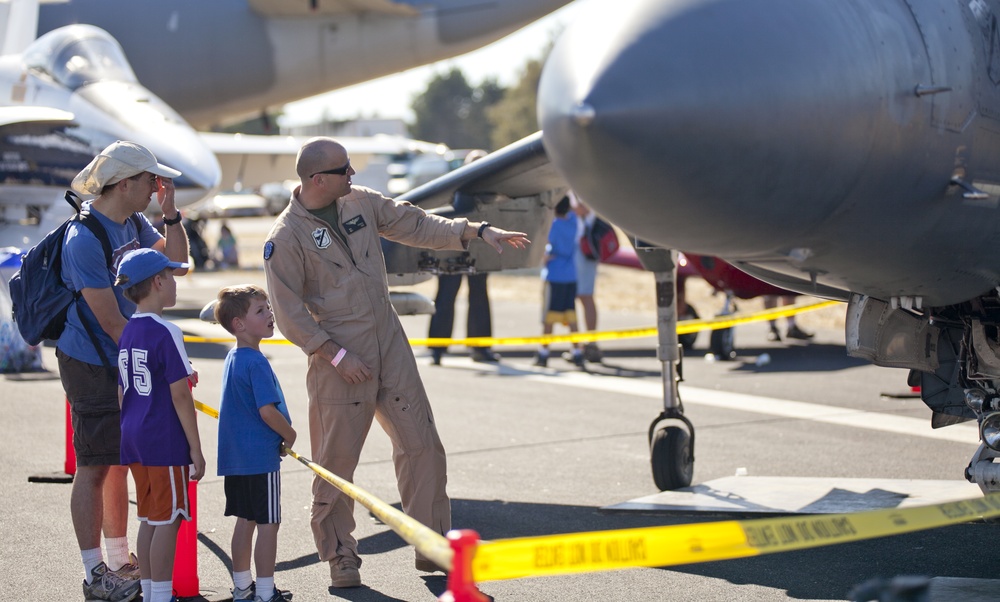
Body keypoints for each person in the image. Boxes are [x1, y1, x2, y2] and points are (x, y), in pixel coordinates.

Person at [261, 137, 529, 589]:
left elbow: (416, 224)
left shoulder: (359, 203)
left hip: (389, 340)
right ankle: (341, 556)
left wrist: (477, 231)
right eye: (344, 169)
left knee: (422, 443)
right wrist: (334, 354)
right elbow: (288, 313)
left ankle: (433, 547)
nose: (353, 175)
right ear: (317, 179)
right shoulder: (285, 237)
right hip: (339, 354)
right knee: (336, 461)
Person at [58, 140, 189, 601]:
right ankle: (95, 571)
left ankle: (120, 560)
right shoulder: (83, 238)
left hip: (124, 354)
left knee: (117, 457)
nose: (158, 187)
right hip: (90, 359)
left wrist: (171, 214)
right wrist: (161, 368)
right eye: (151, 181)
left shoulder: (132, 220)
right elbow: (112, 323)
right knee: (95, 464)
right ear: (126, 183)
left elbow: (177, 265)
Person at [114, 248, 204, 602]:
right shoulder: (167, 331)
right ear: (157, 281)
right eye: (170, 275)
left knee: (150, 518)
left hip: (134, 435)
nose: (174, 282)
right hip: (162, 438)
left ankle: (152, 592)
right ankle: (161, 596)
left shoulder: (129, 332)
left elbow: (123, 390)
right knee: (170, 518)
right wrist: (195, 448)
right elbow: (181, 396)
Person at [214, 285, 297, 602]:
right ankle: (264, 592)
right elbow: (267, 411)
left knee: (244, 521)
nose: (270, 314)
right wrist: (289, 435)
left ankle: (242, 587)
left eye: (268, 308)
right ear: (238, 324)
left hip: (236, 459)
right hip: (260, 459)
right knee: (268, 524)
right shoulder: (257, 362)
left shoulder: (233, 358)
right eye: (260, 311)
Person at [427, 149, 499, 365]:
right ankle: (437, 348)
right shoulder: (455, 185)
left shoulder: (490, 190)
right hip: (453, 248)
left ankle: (480, 347)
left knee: (479, 297)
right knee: (446, 296)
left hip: (478, 249)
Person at [535, 195, 584, 368]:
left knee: (549, 317)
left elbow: (545, 245)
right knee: (571, 316)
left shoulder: (553, 225)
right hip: (571, 275)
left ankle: (544, 352)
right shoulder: (573, 221)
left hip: (554, 275)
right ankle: (577, 351)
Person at [571, 194, 602, 363]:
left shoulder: (582, 182)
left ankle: (590, 343)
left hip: (583, 249)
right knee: (576, 298)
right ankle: (578, 345)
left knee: (585, 296)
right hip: (576, 248)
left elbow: (583, 208)